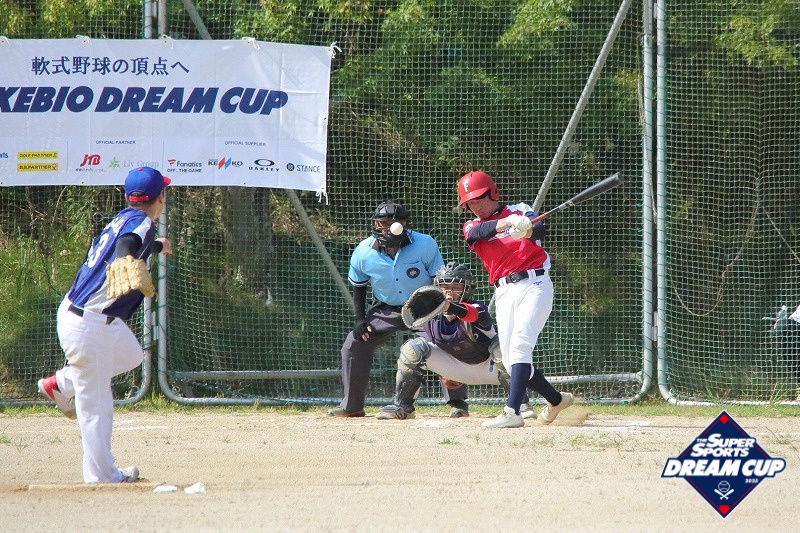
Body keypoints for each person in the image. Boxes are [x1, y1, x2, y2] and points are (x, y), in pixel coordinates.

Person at [36, 166, 172, 482]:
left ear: (129, 197)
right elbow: (126, 244)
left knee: (131, 355)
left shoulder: (123, 218)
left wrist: (157, 246)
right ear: (160, 198)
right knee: (97, 405)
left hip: (86, 317)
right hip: (90, 326)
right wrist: (126, 258)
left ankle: (63, 383)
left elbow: (131, 241)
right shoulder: (141, 223)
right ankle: (102, 475)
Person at [457, 170, 574, 428]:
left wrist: (527, 229)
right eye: (470, 203)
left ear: (493, 193)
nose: (476, 206)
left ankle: (513, 411)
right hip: (504, 292)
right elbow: (477, 234)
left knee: (521, 344)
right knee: (511, 363)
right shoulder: (472, 225)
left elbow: (541, 229)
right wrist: (506, 223)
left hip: (534, 284)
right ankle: (556, 400)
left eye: (479, 198)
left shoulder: (520, 209)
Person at [328, 201, 458, 417]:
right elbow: (359, 286)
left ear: (405, 224)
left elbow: (438, 280)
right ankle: (352, 406)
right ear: (375, 224)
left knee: (445, 339)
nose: (389, 227)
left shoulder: (425, 244)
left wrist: (443, 311)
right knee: (354, 344)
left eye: (395, 222)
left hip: (423, 308)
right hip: (385, 309)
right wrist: (360, 318)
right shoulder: (363, 252)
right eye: (383, 222)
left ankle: (458, 403)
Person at [376, 261, 536, 420]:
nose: (449, 293)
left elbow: (471, 314)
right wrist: (446, 371)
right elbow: (430, 348)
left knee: (502, 350)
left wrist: (449, 307)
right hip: (458, 370)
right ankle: (403, 406)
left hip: (492, 369)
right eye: (444, 287)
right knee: (412, 349)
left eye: (456, 287)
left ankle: (520, 405)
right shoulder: (430, 318)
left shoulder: (478, 308)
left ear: (467, 289)